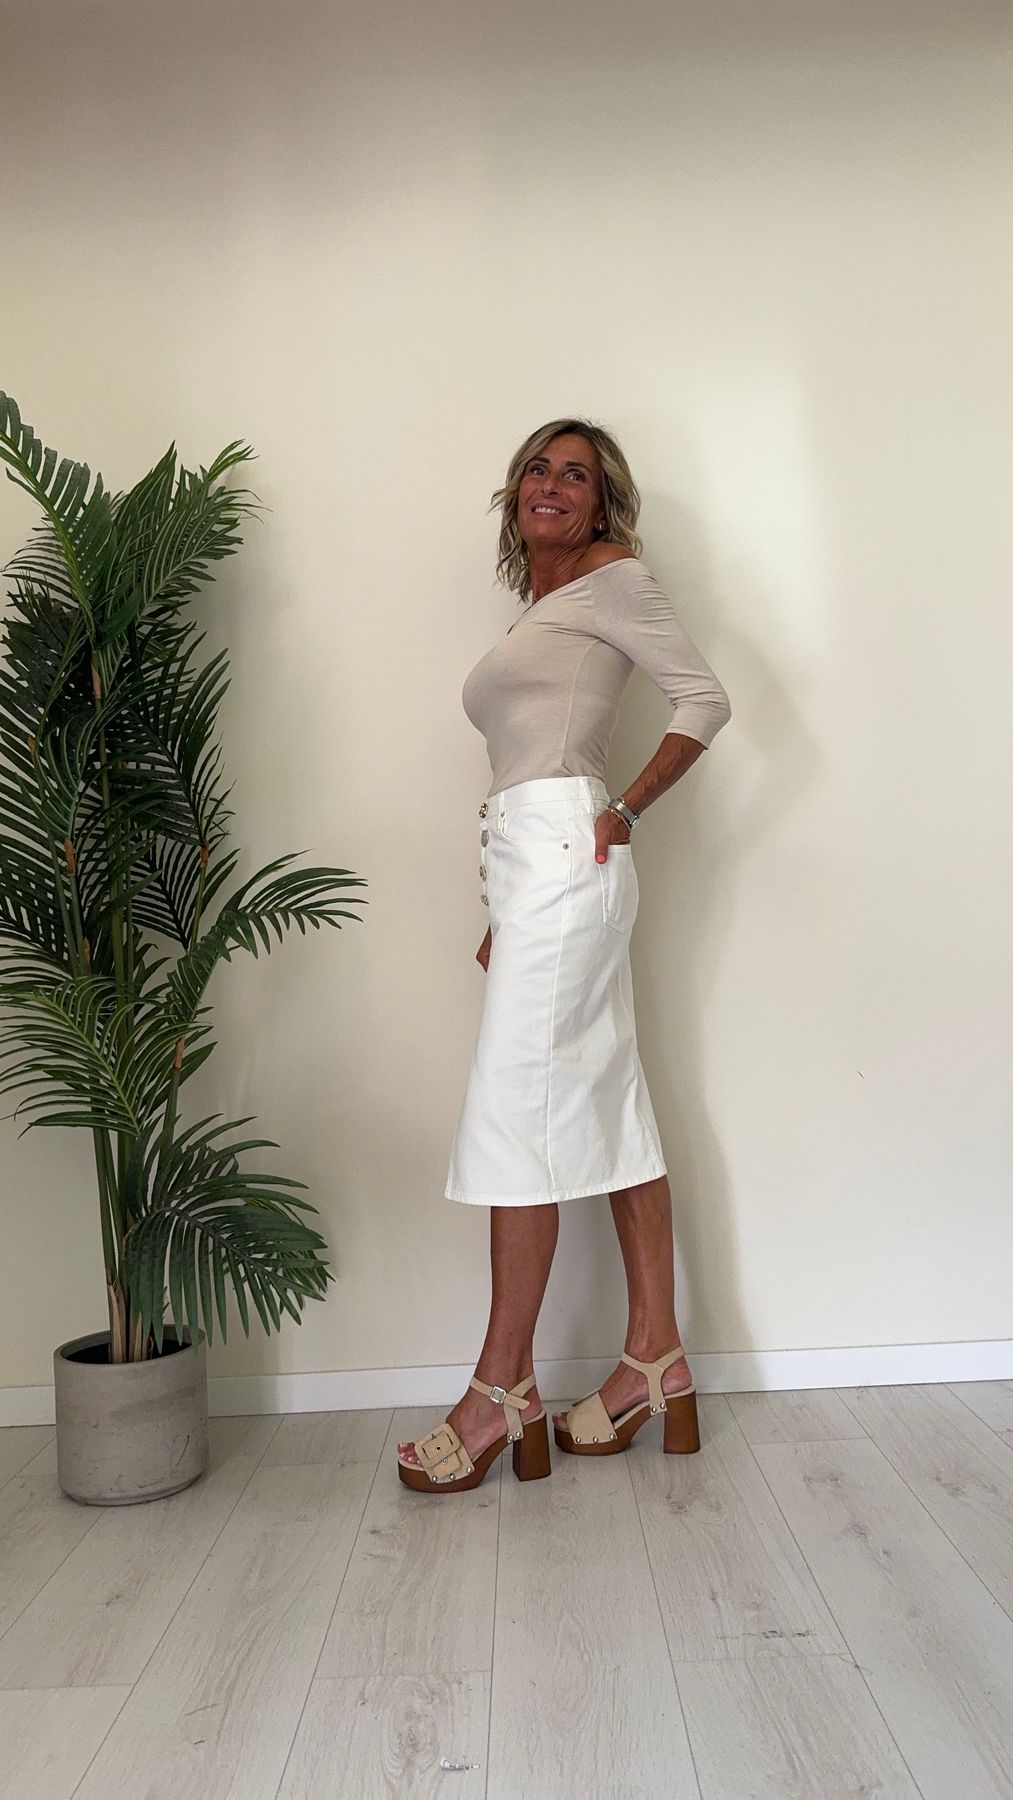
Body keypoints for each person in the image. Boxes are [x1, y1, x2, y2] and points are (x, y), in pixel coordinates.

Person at [397, 417, 731, 1492]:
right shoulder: (543, 608)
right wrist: (505, 901)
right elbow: (524, 757)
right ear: (514, 495)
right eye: (536, 469)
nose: (550, 484)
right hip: (534, 872)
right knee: (608, 1103)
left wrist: (624, 808)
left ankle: (499, 1390)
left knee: (514, 1118)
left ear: (601, 502)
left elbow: (703, 698)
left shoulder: (611, 578)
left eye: (573, 474)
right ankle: (653, 1357)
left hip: (568, 857)